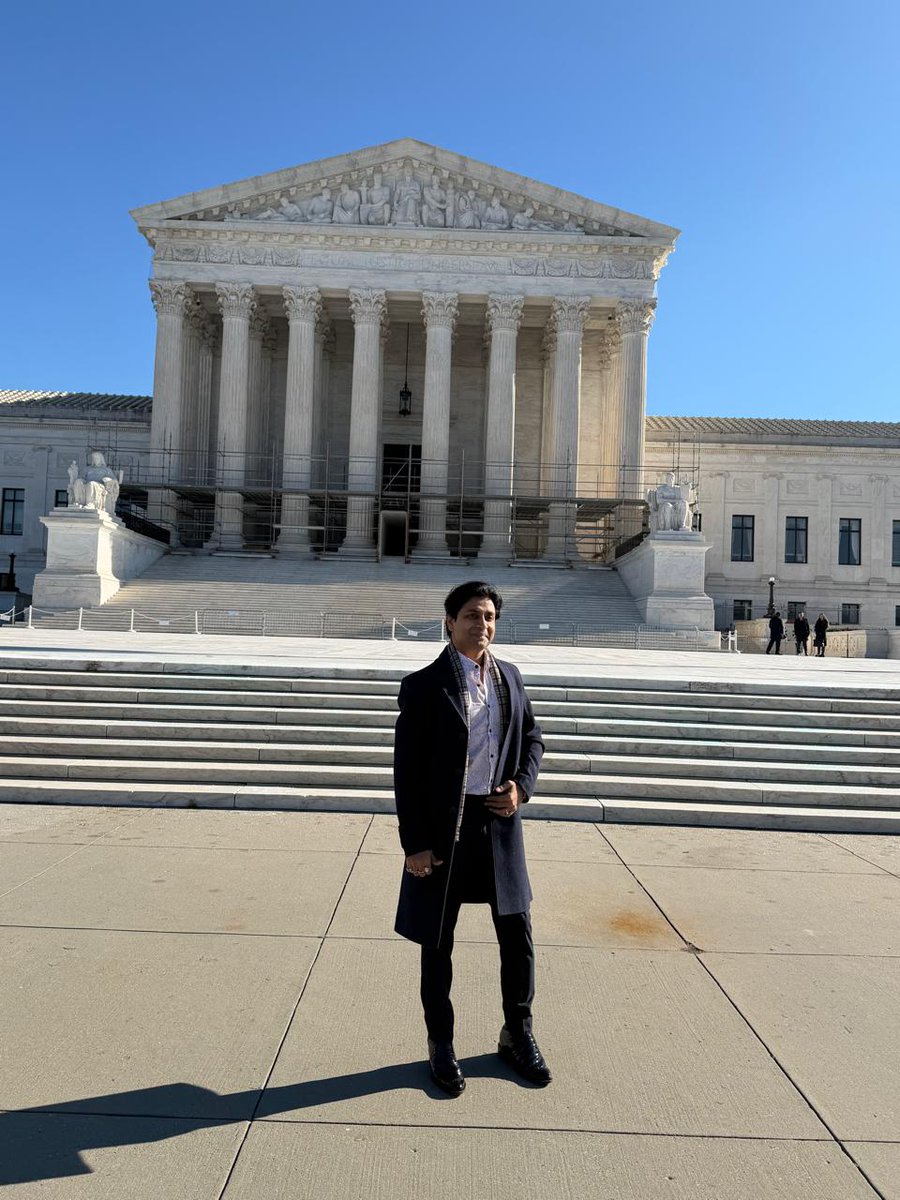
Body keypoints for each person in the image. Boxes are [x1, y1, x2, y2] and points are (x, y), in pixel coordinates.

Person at [393, 580, 549, 1095]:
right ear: (449, 621)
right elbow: (407, 771)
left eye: (487, 616)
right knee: (438, 944)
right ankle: (441, 1044)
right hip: (445, 832)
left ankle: (517, 1033)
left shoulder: (510, 677)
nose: (480, 625)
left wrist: (521, 789)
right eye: (470, 616)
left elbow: (531, 739)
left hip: (498, 825)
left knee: (518, 937)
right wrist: (415, 842)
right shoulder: (423, 686)